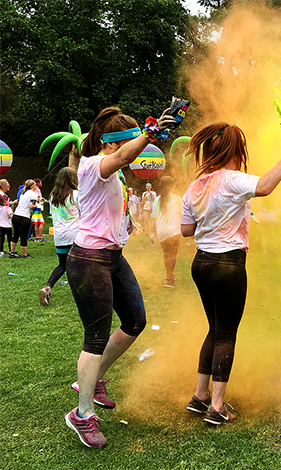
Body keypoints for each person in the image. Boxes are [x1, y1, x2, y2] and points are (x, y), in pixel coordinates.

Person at [64, 106, 176, 448]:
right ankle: (81, 415)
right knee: (95, 338)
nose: (136, 154)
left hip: (113, 257)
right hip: (88, 260)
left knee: (135, 321)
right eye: (130, 143)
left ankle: (93, 380)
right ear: (110, 143)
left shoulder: (112, 171)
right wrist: (149, 134)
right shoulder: (95, 164)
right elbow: (124, 154)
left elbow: (125, 157)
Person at [182, 123, 281, 425]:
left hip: (201, 263)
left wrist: (209, 219)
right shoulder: (232, 180)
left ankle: (200, 396)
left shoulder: (195, 186)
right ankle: (217, 407)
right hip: (228, 264)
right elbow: (264, 187)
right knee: (226, 334)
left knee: (214, 328)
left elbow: (186, 230)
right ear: (233, 153)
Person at [39, 167, 79, 306]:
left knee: (63, 264)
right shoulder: (76, 195)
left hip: (59, 236)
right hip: (75, 235)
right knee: (80, 265)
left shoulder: (52, 196)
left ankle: (47, 287)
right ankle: (83, 293)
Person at [151, 176, 182, 287]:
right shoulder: (177, 199)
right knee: (172, 255)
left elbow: (153, 217)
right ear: (172, 185)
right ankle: (169, 279)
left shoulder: (157, 199)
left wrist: (151, 233)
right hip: (174, 230)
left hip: (161, 232)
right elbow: (182, 215)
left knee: (167, 254)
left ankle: (170, 275)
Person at [9, 179, 38, 258]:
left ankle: (12, 252)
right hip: (24, 217)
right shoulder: (33, 194)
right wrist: (36, 206)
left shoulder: (23, 193)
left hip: (16, 215)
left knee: (15, 234)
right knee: (23, 236)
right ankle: (24, 254)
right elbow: (31, 206)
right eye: (35, 184)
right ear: (32, 186)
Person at [31, 177, 46, 242]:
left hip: (34, 208)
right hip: (39, 207)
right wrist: (43, 202)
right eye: (40, 182)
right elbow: (38, 199)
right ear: (37, 183)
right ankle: (39, 237)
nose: (41, 184)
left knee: (36, 222)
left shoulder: (32, 190)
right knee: (41, 222)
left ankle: (37, 237)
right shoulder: (37, 190)